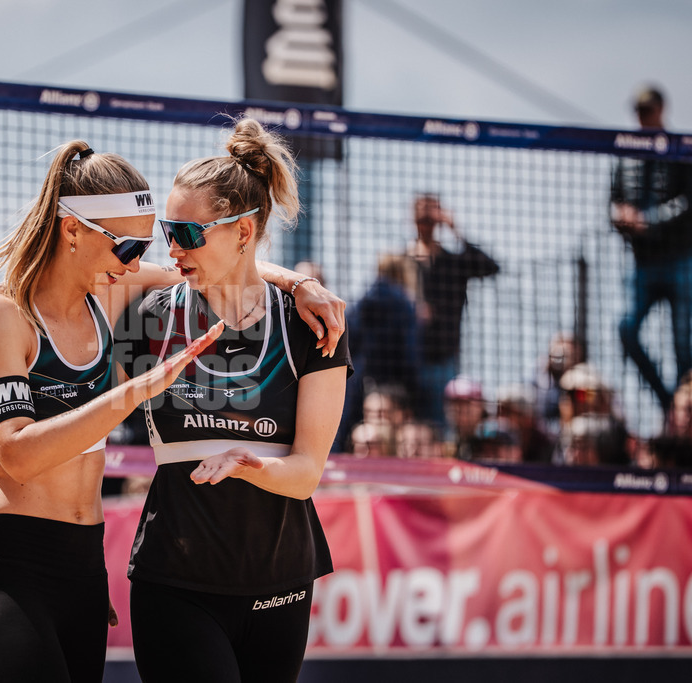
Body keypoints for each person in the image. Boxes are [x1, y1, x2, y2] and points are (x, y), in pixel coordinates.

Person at [0, 140, 344, 683]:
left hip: (82, 570)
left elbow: (225, 261)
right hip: (8, 567)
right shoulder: (2, 316)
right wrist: (137, 389)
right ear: (73, 230)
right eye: (127, 247)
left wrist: (299, 282)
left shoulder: (110, 294)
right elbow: (16, 454)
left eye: (145, 246)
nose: (141, 260)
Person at [120, 118, 351, 683]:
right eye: (168, 231)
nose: (174, 247)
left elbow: (305, 475)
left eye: (190, 234)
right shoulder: (147, 319)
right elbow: (87, 279)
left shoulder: (308, 327)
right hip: (175, 579)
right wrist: (293, 277)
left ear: (243, 232)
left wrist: (248, 466)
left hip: (279, 578)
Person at [610, 85, 692, 409]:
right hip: (642, 263)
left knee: (682, 346)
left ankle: (685, 412)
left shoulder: (681, 149)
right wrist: (621, 216)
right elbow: (613, 202)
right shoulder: (625, 154)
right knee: (626, 330)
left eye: (647, 110)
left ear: (661, 109)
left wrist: (649, 221)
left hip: (679, 260)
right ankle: (668, 402)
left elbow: (688, 203)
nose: (642, 118)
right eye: (638, 111)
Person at [406, 193, 499, 424]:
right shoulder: (402, 261)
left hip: (443, 356)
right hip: (406, 359)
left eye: (431, 219)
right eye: (422, 218)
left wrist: (455, 228)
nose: (426, 225)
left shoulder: (452, 262)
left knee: (441, 423)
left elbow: (490, 267)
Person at [337, 253, 421, 447]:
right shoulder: (404, 304)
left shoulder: (364, 299)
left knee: (350, 431)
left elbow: (348, 337)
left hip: (357, 378)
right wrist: (413, 389)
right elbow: (410, 353)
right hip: (390, 385)